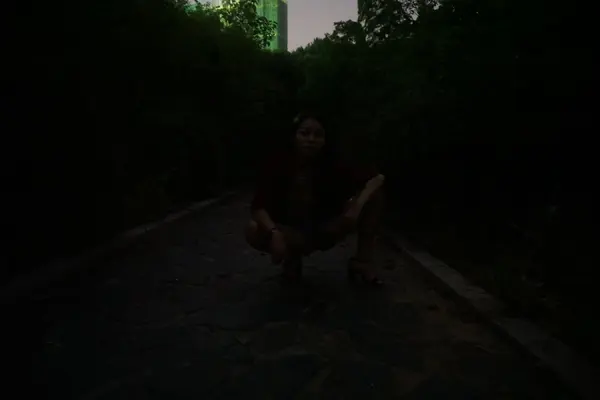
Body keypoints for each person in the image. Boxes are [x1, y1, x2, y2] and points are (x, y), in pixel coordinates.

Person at [244, 111, 386, 286]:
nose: (311, 139)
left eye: (318, 135)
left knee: (374, 197)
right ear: (294, 137)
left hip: (326, 228)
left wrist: (355, 208)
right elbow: (258, 206)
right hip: (292, 232)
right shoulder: (278, 164)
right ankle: (292, 257)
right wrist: (274, 233)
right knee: (253, 229)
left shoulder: (334, 163)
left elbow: (377, 178)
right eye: (305, 133)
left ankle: (362, 262)